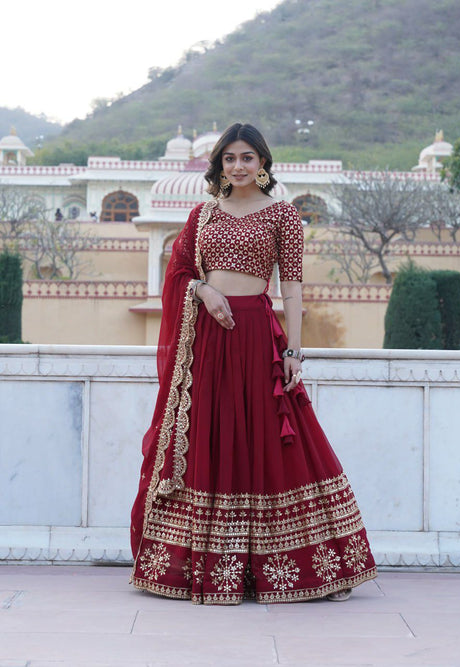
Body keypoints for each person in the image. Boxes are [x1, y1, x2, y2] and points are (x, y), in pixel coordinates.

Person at [130, 123, 377, 605]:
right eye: (230, 159)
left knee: (275, 440)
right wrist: (203, 290)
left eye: (247, 158)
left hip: (259, 338)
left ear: (263, 163)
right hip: (209, 339)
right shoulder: (203, 215)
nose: (239, 166)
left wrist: (295, 351)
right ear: (219, 165)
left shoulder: (282, 214)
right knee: (211, 438)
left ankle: (311, 565)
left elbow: (294, 287)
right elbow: (179, 271)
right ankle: (202, 567)